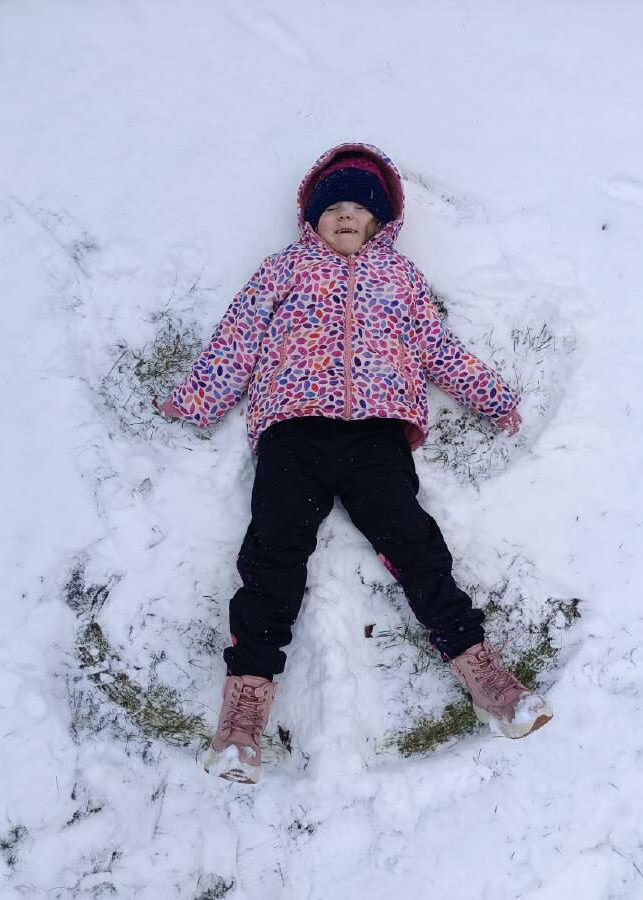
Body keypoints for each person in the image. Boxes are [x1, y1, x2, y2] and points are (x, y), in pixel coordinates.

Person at [156, 143, 552, 783]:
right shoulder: (284, 269)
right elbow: (239, 334)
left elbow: (437, 347)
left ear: (380, 220)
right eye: (332, 206)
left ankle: (480, 668)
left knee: (415, 542)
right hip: (294, 430)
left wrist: (490, 395)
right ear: (312, 217)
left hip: (376, 436)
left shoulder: (400, 278)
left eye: (359, 207)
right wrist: (201, 396)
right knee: (273, 553)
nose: (345, 215)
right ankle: (244, 708)